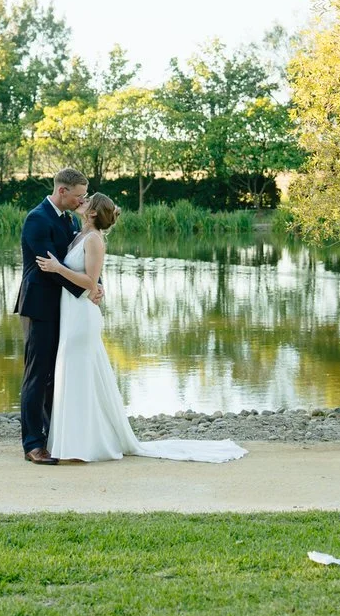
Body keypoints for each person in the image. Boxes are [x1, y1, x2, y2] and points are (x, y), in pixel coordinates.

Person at [36, 192, 246, 464]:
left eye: (86, 201)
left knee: (80, 373)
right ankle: (73, 441)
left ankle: (87, 445)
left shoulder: (94, 240)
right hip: (71, 313)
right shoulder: (79, 234)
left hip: (82, 316)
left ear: (91, 213)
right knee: (73, 373)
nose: (81, 201)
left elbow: (90, 280)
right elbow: (95, 281)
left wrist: (56, 268)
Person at [15, 169, 94, 465]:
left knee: (55, 375)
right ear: (62, 191)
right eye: (78, 195)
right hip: (39, 307)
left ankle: (52, 436)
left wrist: (94, 285)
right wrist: (88, 289)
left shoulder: (70, 220)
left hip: (64, 307)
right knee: (37, 376)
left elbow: (78, 260)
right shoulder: (37, 219)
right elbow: (52, 265)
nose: (81, 200)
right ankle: (33, 444)